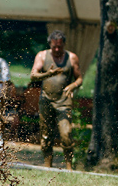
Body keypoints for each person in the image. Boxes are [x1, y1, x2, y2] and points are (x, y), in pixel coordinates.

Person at [30, 30, 82, 170]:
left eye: (60, 46)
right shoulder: (42, 56)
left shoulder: (72, 58)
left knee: (66, 134)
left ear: (64, 44)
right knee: (46, 135)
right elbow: (33, 75)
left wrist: (73, 86)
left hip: (64, 101)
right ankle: (48, 165)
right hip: (46, 100)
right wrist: (47, 74)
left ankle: (69, 167)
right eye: (54, 47)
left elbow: (79, 78)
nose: (57, 49)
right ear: (50, 44)